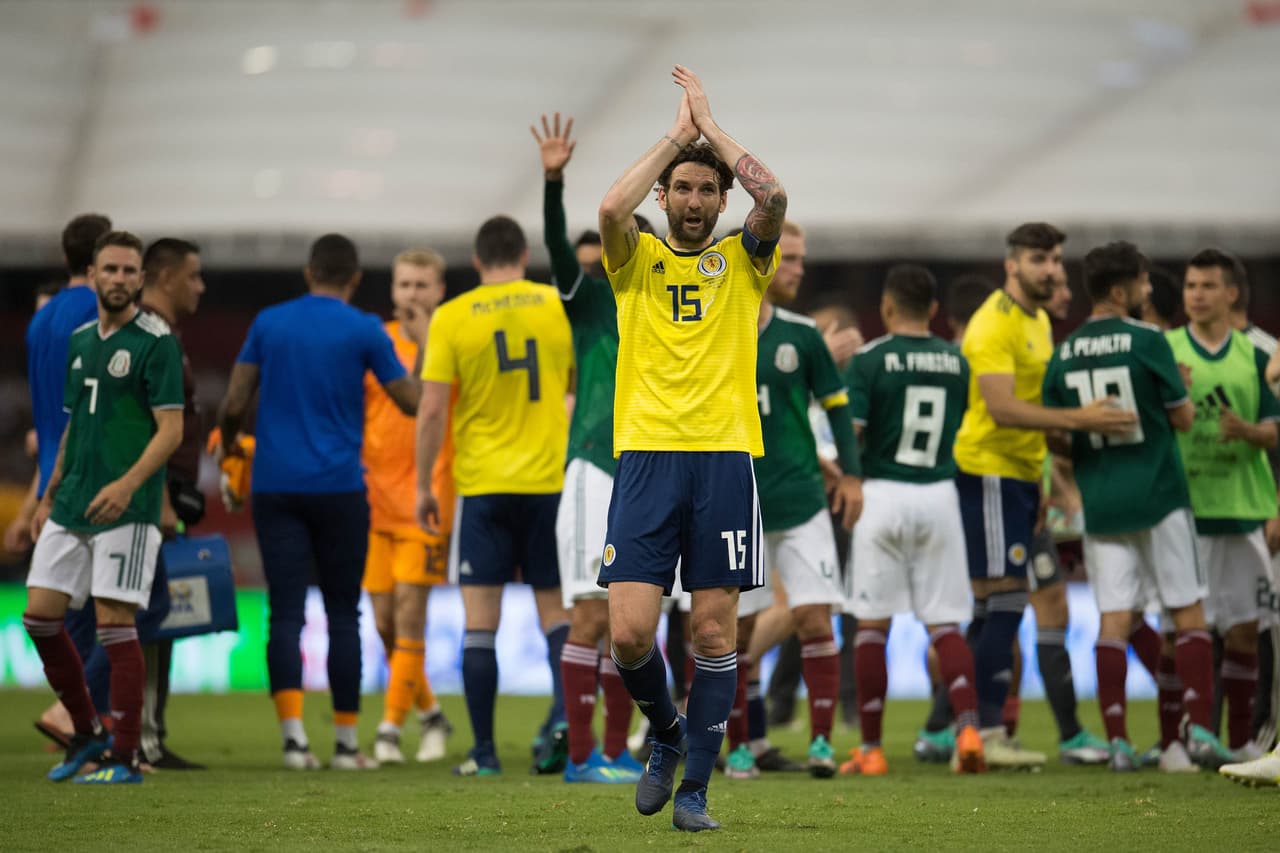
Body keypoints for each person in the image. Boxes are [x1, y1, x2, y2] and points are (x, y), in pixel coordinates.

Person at [596, 65, 784, 832]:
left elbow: (773, 197)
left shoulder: (745, 261)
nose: (698, 201)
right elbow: (610, 204)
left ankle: (698, 791)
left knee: (713, 630)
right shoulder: (633, 260)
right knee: (629, 632)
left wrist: (713, 128)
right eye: (684, 189)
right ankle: (668, 737)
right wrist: (680, 135)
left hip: (724, 457)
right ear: (664, 198)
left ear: (721, 200)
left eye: (709, 190)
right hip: (645, 455)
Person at [218, 233, 422, 771]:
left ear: (309, 272)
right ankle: (349, 745)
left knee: (283, 613)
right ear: (354, 279)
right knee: (342, 615)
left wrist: (231, 449)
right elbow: (408, 402)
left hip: (275, 487)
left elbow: (235, 401)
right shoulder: (364, 329)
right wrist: (431, 372)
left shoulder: (269, 322)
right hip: (339, 488)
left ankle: (292, 741)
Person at [950, 222, 1135, 767]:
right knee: (1005, 602)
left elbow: (1031, 413)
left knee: (992, 608)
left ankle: (968, 730)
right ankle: (983, 731)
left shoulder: (1037, 322)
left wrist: (1047, 476)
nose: (1052, 269)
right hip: (987, 471)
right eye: (1039, 259)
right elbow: (1003, 408)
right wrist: (1078, 419)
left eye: (1055, 259)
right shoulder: (992, 325)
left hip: (1019, 476)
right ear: (1012, 265)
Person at [1042, 240, 1230, 771]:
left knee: (1113, 620)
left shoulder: (1065, 351)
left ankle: (1119, 742)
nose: (1151, 292)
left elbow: (1057, 439)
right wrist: (1179, 395)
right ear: (1122, 290)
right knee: (1187, 610)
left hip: (1102, 504)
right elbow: (1185, 419)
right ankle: (1197, 735)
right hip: (1161, 497)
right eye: (1145, 283)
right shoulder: (1150, 340)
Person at [415, 215, 574, 777]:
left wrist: (422, 485)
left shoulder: (452, 316)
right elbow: (578, 390)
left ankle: (483, 755)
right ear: (525, 254)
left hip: (481, 488)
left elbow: (431, 408)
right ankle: (563, 725)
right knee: (557, 616)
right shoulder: (557, 304)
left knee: (480, 624)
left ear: (478, 259)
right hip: (549, 483)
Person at [23, 230, 185, 784]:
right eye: (109, 269)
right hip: (71, 502)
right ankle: (87, 732)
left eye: (128, 271)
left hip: (127, 507)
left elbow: (171, 430)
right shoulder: (81, 340)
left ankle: (125, 755)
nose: (119, 279)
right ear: (91, 275)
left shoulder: (157, 342)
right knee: (40, 618)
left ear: (141, 278)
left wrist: (129, 484)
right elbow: (74, 425)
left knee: (117, 625)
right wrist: (47, 496)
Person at [720, 219, 862, 782]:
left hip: (801, 500)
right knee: (733, 634)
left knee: (813, 617)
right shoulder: (709, 328)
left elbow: (837, 408)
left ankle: (822, 744)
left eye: (801, 259)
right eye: (791, 258)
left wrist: (849, 476)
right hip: (735, 502)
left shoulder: (802, 336)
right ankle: (738, 746)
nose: (799, 269)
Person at [531, 112, 647, 784]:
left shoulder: (661, 306)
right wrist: (554, 183)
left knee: (629, 619)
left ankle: (612, 750)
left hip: (648, 474)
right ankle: (580, 758)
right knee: (585, 611)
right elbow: (555, 246)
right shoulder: (591, 299)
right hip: (594, 472)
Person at [842, 264, 985, 776]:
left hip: (881, 492)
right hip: (939, 494)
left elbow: (852, 430)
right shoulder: (957, 361)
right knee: (945, 622)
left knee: (872, 626)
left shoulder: (868, 359)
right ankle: (969, 728)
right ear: (933, 311)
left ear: (885, 306)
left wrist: (846, 476)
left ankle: (873, 749)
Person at [1166, 248, 1280, 759]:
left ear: (1230, 293)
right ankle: (1177, 741)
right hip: (1182, 510)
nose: (1196, 295)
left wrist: (1249, 431)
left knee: (1243, 628)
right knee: (1180, 631)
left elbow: (1275, 431)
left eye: (1208, 286)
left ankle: (1238, 746)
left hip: (1241, 507)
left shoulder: (1257, 356)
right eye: (1191, 286)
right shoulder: (1165, 350)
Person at [363, 248, 454, 765]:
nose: (412, 295)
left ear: (440, 291)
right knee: (384, 625)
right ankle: (432, 713)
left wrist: (426, 344)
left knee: (409, 617)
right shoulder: (374, 341)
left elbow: (435, 405)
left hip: (429, 499)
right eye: (404, 286)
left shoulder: (453, 339)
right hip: (375, 501)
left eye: (422, 286)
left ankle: (389, 731)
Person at [6, 216, 112, 558]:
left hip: (52, 478)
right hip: (96, 481)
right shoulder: (100, 312)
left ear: (66, 259)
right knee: (113, 604)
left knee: (65, 601)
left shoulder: (40, 319)